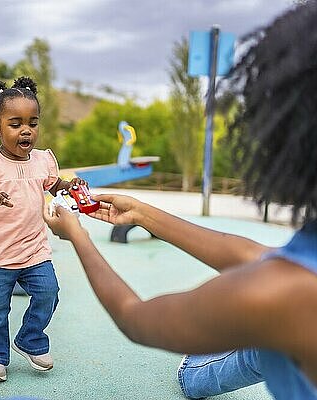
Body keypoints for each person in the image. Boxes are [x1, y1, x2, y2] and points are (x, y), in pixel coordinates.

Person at [42, 3, 317, 399]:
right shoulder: (287, 282)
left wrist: (77, 234)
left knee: (229, 358)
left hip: (243, 337)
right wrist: (144, 213)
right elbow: (259, 257)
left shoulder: (278, 298)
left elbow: (136, 318)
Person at [0, 76, 88, 382]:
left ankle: (30, 339)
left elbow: (52, 184)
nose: (26, 130)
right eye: (16, 124)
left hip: (34, 250)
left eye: (32, 123)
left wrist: (69, 185)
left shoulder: (43, 160)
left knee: (49, 293)